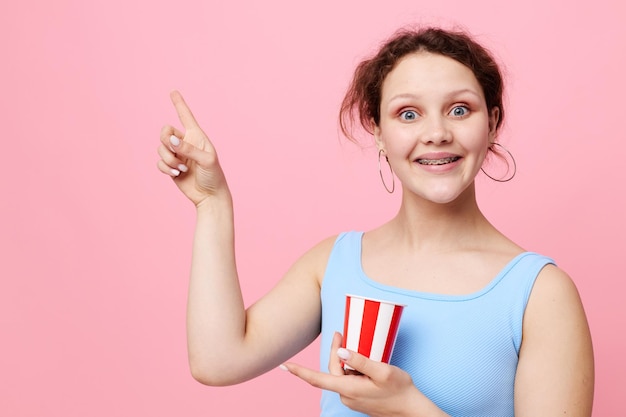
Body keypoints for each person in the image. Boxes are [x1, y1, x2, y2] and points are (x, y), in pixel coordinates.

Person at [156, 26, 594, 417]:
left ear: (493, 123)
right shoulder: (333, 263)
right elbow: (218, 360)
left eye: (460, 109)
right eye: (408, 113)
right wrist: (212, 204)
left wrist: (410, 409)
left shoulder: (540, 294)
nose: (437, 132)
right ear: (379, 132)